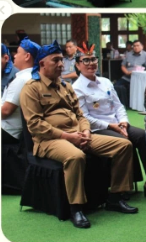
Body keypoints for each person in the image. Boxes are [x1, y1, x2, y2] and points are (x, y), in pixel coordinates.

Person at [20, 41, 137, 229]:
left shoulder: (65, 86)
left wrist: (85, 132)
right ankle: (76, 208)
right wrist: (68, 137)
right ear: (42, 63)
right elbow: (35, 125)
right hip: (49, 140)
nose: (61, 64)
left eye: (61, 60)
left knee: (123, 145)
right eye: (56, 60)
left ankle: (115, 197)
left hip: (78, 134)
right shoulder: (31, 88)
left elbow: (81, 115)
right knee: (75, 156)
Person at [72, 44, 146, 199]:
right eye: (86, 60)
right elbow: (85, 117)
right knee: (124, 141)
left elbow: (118, 106)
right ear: (77, 65)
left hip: (117, 123)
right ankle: (121, 188)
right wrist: (111, 126)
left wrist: (123, 121)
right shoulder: (77, 88)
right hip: (98, 128)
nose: (91, 63)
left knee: (142, 136)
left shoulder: (105, 81)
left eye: (93, 59)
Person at [2, 37, 40, 144]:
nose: (14, 55)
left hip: (7, 130)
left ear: (27, 56)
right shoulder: (32, 76)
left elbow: (5, 111)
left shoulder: (22, 79)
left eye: (18, 53)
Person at [113, 40, 146, 108]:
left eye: (138, 45)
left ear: (142, 46)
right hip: (127, 77)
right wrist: (127, 72)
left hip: (138, 78)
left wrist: (138, 71)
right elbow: (123, 66)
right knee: (116, 86)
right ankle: (120, 105)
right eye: (134, 46)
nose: (136, 47)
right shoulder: (128, 54)